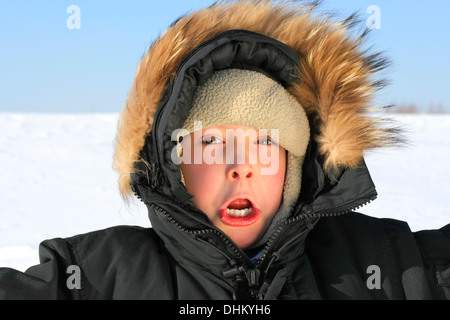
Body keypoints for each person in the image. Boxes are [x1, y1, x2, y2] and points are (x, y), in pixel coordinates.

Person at [1, 0, 449, 300]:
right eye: (211, 143)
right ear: (172, 166)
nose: (241, 168)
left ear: (293, 171)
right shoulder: (100, 278)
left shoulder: (383, 265)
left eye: (266, 144)